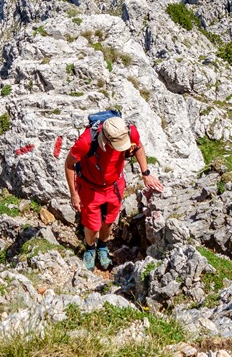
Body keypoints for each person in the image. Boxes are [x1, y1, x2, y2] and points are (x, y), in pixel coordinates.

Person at [65, 115, 164, 270]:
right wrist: (74, 194)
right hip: (90, 188)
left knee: (109, 220)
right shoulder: (86, 142)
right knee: (92, 224)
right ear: (105, 140)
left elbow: (138, 147)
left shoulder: (130, 133)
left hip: (115, 186)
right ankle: (90, 249)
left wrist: (146, 173)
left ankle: (102, 247)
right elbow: (69, 164)